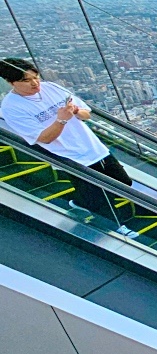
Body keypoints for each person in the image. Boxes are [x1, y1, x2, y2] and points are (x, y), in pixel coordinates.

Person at [0, 57, 136, 235]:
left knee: (124, 182)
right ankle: (116, 228)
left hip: (93, 147)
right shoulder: (12, 108)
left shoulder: (51, 88)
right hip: (69, 157)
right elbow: (44, 138)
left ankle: (82, 202)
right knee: (99, 195)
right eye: (26, 80)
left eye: (36, 77)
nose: (34, 83)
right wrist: (62, 119)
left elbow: (87, 114)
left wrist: (77, 111)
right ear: (11, 82)